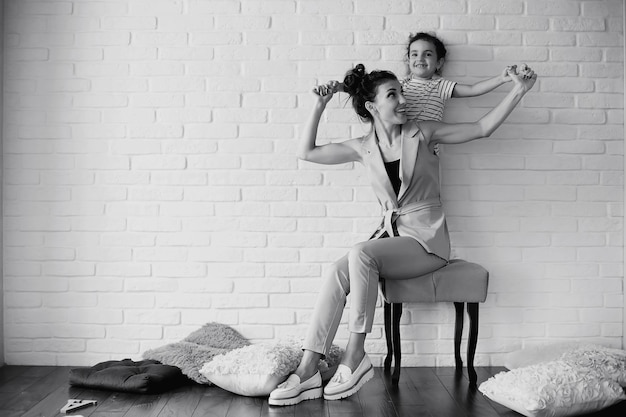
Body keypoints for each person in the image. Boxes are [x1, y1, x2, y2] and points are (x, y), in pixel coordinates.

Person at [268, 62, 536, 407]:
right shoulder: (362, 147)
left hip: (427, 239)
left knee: (361, 252)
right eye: (392, 94)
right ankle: (307, 369)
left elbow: (482, 127)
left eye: (401, 92)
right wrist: (319, 106)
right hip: (391, 236)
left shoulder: (422, 133)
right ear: (371, 106)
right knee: (338, 271)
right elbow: (307, 152)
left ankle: (355, 354)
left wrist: (518, 89)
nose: (402, 100)